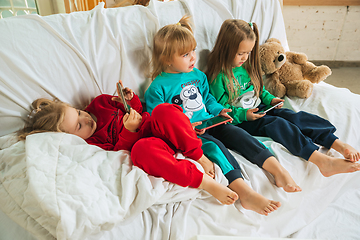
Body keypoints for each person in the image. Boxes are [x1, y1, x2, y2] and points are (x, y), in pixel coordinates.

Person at [144, 16, 304, 216]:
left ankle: (278, 171)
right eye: (185, 54)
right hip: (192, 134)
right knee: (215, 148)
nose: (193, 57)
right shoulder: (157, 87)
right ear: (167, 58)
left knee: (239, 135)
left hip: (213, 122)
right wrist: (188, 128)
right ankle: (244, 191)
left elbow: (207, 98)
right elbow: (158, 119)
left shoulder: (198, 76)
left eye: (193, 51)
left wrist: (219, 110)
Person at [17, 81, 239, 205]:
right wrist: (128, 131)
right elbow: (118, 153)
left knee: (163, 110)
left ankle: (198, 155)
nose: (85, 118)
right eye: (78, 126)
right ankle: (203, 181)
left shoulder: (98, 104)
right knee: (141, 151)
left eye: (78, 112)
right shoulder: (92, 144)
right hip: (150, 146)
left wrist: (129, 99)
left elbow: (139, 110)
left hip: (155, 127)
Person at [206, 19, 360, 179]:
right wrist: (245, 115)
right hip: (244, 120)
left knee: (295, 117)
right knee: (278, 125)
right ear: (225, 49)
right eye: (240, 53)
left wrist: (271, 100)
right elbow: (221, 109)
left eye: (248, 52)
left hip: (262, 108)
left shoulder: (245, 68)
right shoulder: (218, 77)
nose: (245, 57)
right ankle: (322, 161)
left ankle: (335, 143)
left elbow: (259, 89)